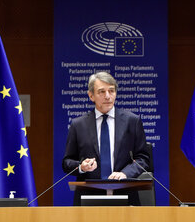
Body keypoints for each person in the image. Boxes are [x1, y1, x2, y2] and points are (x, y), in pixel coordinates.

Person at [62, 71, 150, 204]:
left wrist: (125, 173)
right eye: (101, 92)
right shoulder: (78, 125)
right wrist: (82, 166)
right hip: (89, 197)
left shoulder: (132, 121)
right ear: (91, 96)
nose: (108, 96)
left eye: (111, 91)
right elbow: (67, 162)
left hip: (125, 194)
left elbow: (143, 159)